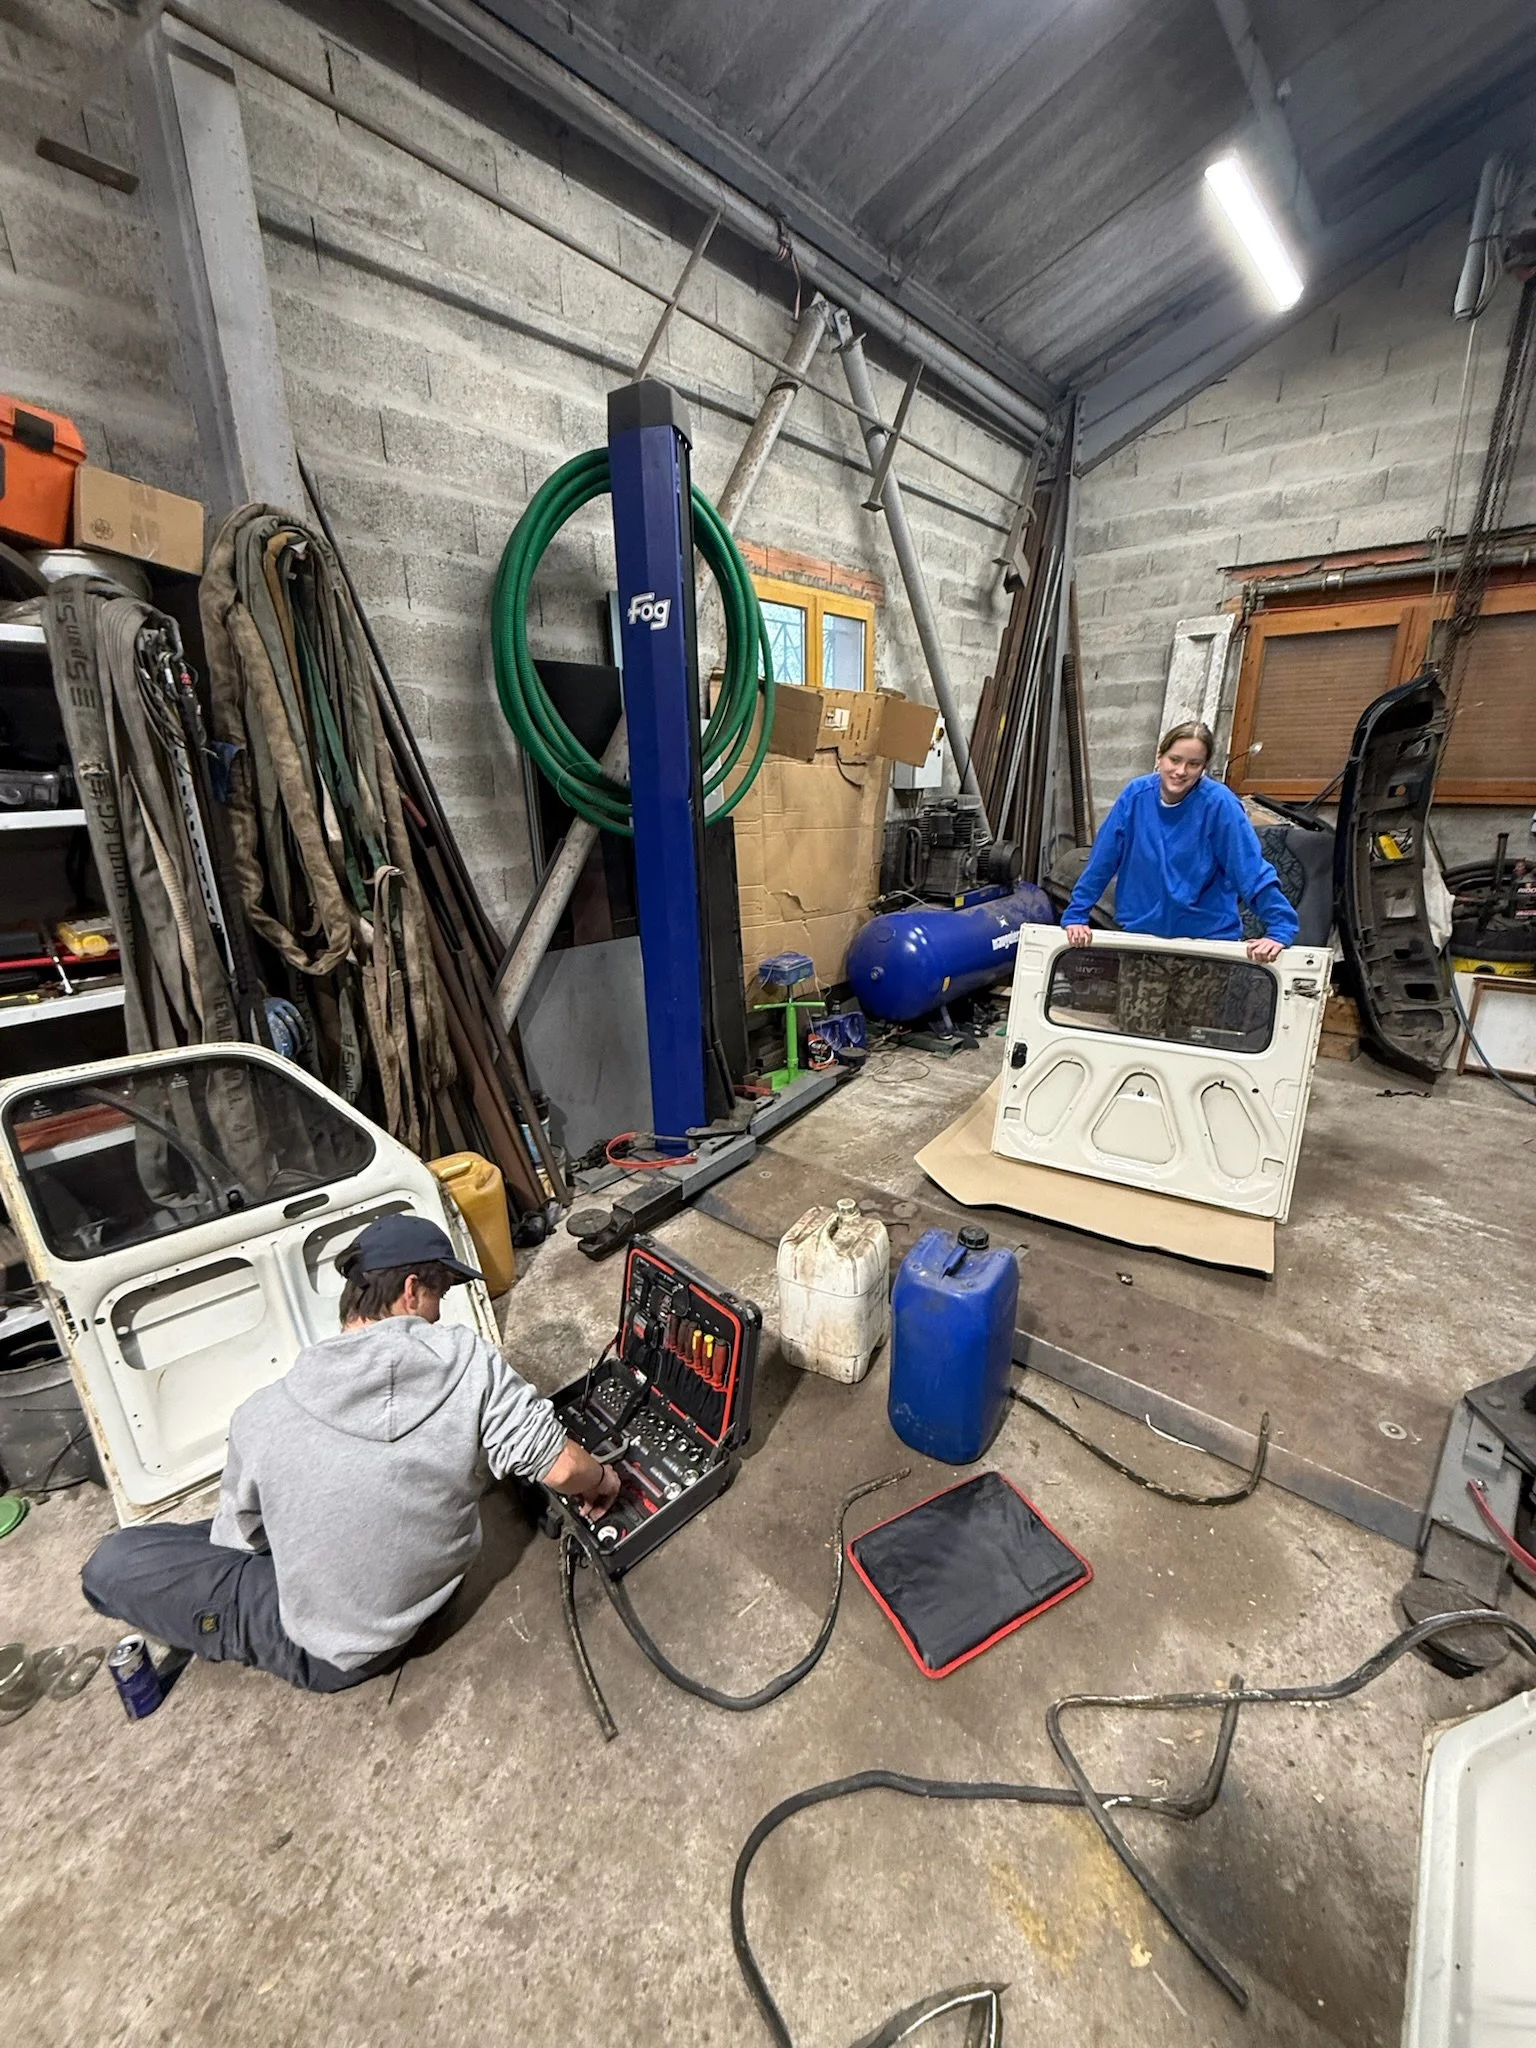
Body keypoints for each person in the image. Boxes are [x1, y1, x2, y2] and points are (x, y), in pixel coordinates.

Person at [81, 1214, 620, 1693]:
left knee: (113, 1562)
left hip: (333, 1650)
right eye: (439, 1296)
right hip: (427, 1598)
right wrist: (605, 1479)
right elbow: (567, 1466)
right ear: (412, 1290)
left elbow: (242, 1541)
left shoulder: (262, 1414)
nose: (437, 1315)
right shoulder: (467, 1359)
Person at [1061, 720, 1299, 962]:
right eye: (1175, 760)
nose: (1181, 771)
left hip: (1207, 944)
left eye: (1193, 764)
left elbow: (1249, 868)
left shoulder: (1220, 805)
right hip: (1141, 940)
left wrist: (1280, 928)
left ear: (1204, 767)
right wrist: (1076, 914)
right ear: (1160, 757)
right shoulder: (1135, 796)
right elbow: (1102, 859)